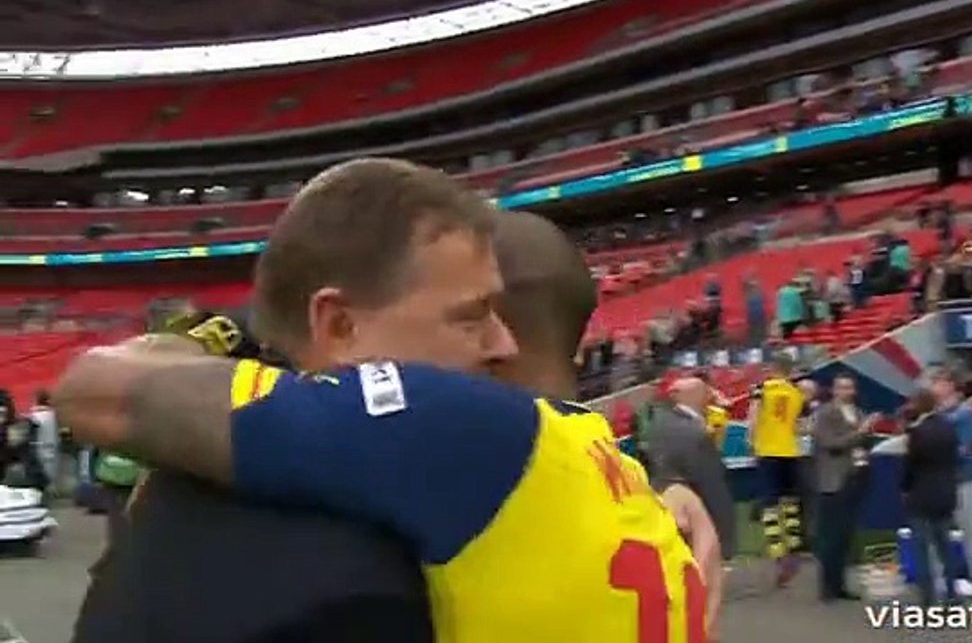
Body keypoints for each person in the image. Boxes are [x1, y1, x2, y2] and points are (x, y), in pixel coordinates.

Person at [56, 168, 714, 642]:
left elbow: (100, 392)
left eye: (493, 311)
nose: (499, 341)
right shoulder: (615, 479)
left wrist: (220, 334)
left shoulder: (448, 436)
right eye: (470, 316)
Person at [74, 158, 519, 643]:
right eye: (470, 317)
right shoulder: (352, 587)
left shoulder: (189, 484)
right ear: (339, 326)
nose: (505, 345)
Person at [645, 376, 737, 563]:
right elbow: (713, 489)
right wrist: (726, 540)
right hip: (696, 514)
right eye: (706, 392)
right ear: (698, 396)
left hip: (665, 510)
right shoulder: (694, 433)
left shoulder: (661, 423)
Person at [813, 373, 877, 602]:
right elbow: (830, 443)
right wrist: (860, 432)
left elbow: (860, 443)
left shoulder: (858, 412)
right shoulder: (825, 413)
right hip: (833, 481)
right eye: (842, 387)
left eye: (850, 387)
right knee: (830, 536)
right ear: (834, 390)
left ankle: (840, 585)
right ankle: (826, 588)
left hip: (855, 478)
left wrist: (866, 436)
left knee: (845, 537)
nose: (847, 391)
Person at [746, 353, 806, 586]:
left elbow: (753, 416)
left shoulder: (761, 389)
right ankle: (794, 547)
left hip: (767, 451)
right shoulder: (795, 393)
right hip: (789, 450)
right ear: (790, 370)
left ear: (772, 368)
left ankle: (779, 553)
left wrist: (750, 441)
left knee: (769, 504)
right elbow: (795, 424)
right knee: (789, 501)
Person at [930, 366, 972, 592]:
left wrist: (933, 452)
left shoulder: (966, 414)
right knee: (938, 530)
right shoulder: (933, 414)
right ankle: (940, 578)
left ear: (950, 386)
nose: (933, 387)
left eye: (938, 382)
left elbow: (963, 448)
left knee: (971, 528)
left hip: (963, 479)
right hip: (938, 480)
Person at [901, 389, 961, 605]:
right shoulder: (949, 428)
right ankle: (952, 595)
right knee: (945, 548)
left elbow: (910, 466)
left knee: (922, 550)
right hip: (945, 494)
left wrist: (904, 489)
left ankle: (928, 600)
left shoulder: (917, 433)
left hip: (921, 496)